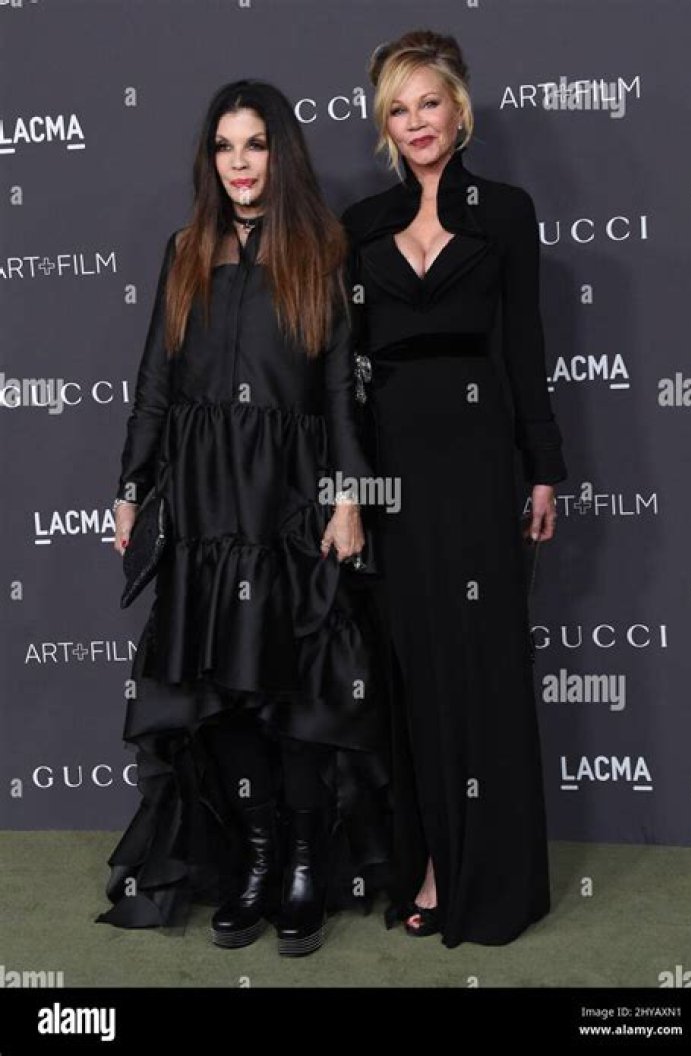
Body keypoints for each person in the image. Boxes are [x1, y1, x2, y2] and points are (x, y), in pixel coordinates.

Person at [96, 80, 390, 957]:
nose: (239, 163)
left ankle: (303, 867)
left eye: (254, 144)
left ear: (281, 152)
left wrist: (349, 497)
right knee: (218, 693)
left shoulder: (322, 251)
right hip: (201, 498)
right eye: (224, 147)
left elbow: (341, 391)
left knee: (291, 691)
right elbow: (155, 381)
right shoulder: (187, 248)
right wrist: (131, 487)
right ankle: (256, 862)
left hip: (288, 497)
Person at [341, 30, 568, 948]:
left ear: (459, 108)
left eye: (428, 102)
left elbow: (525, 348)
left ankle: (494, 879)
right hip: (394, 472)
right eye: (398, 109)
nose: (416, 122)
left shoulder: (505, 212)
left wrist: (543, 467)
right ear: (384, 125)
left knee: (484, 670)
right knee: (418, 672)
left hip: (478, 464)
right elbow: (341, 374)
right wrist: (347, 490)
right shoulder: (360, 224)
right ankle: (433, 863)